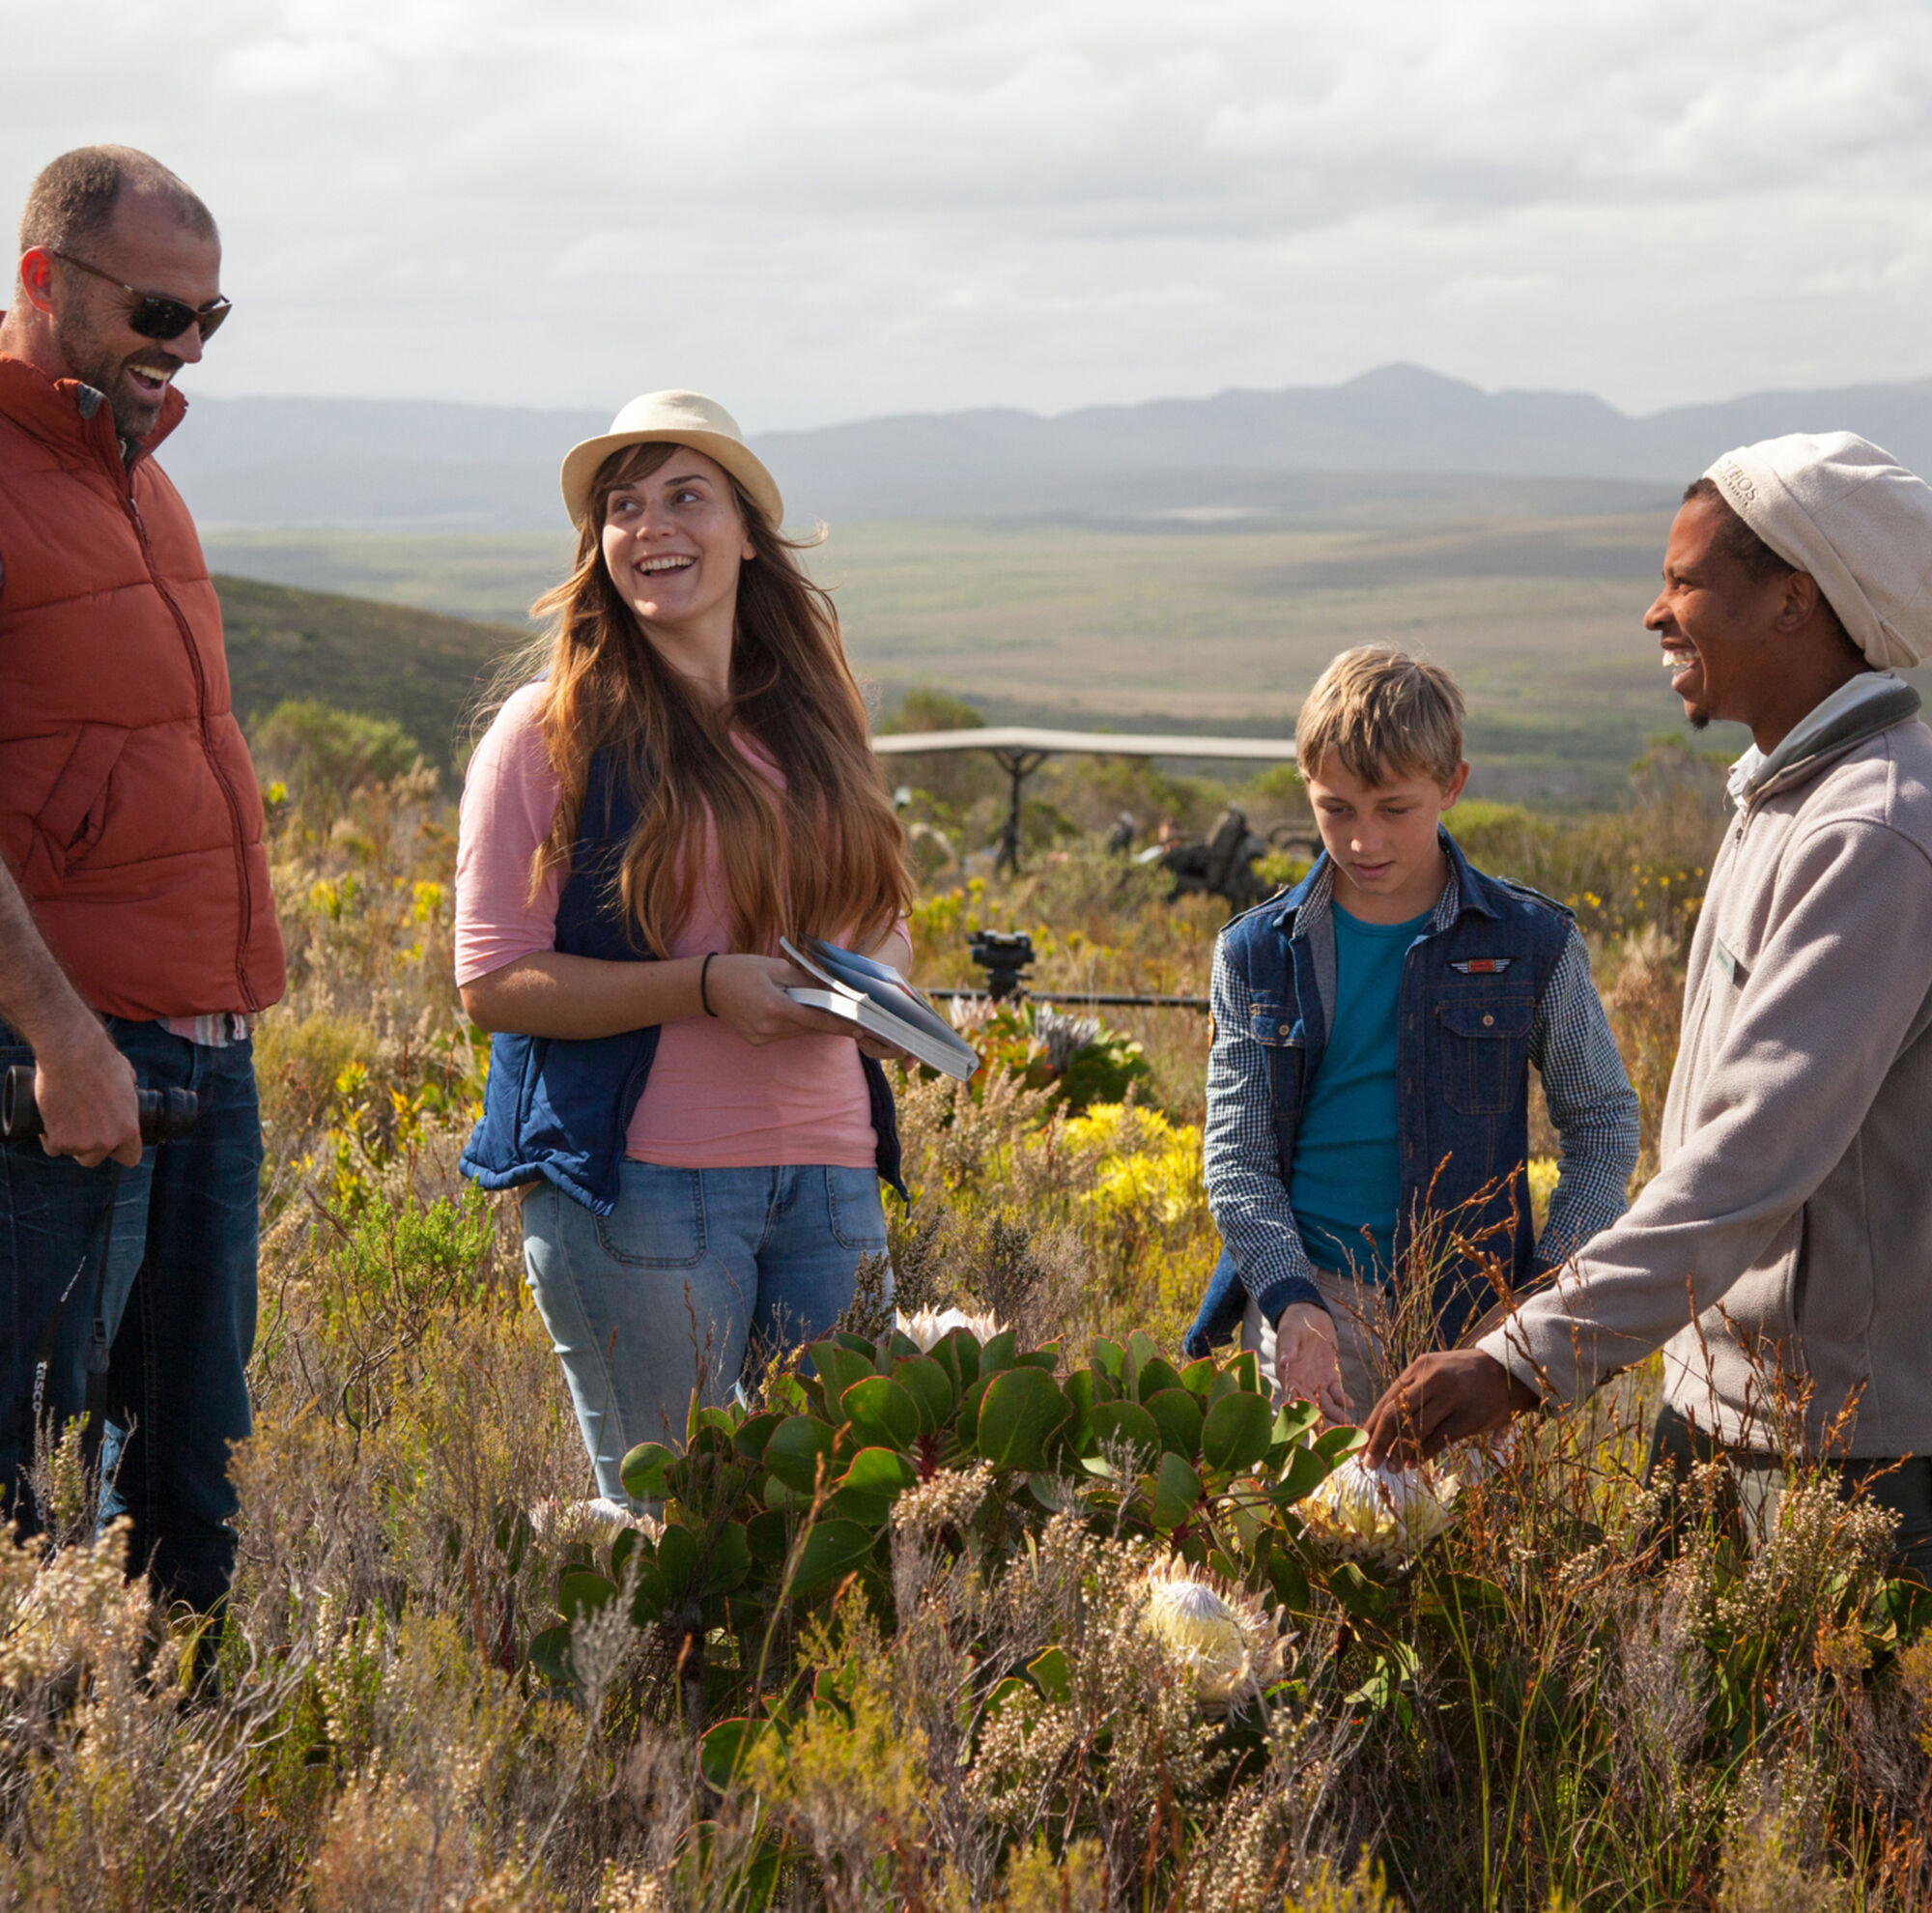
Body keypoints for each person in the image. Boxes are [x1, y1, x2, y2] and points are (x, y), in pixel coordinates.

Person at [1362, 435, 1932, 1575]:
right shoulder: (1789, 796)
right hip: (1729, 1403)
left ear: (1793, 601)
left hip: (1839, 1451)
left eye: (1684, 583)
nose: (1653, 615)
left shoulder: (1868, 832)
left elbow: (1749, 1161)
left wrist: (1519, 1358)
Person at [457, 390, 914, 1503]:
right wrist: (705, 988)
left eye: (684, 497)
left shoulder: (813, 717)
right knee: (677, 1537)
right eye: (623, 506)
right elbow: (493, 983)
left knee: (844, 1516)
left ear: (748, 531)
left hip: (831, 1178)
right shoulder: (551, 732)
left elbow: (879, 914)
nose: (650, 526)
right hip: (643, 1193)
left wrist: (887, 997)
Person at [0, 148, 285, 1619]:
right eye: (159, 311)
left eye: (209, 320)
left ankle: (177, 1795)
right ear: (45, 281)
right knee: (26, 1483)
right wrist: (61, 1044)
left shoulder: (139, 481)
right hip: (64, 1067)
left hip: (203, 1052)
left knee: (187, 1477)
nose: (182, 351)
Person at [1187, 646, 1639, 1421]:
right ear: (1307, 788)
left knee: (1470, 1544)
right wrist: (1293, 1302)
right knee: (1303, 1538)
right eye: (1336, 809)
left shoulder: (1535, 943)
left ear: (1452, 785)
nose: (1364, 841)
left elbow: (1604, 1124)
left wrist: (1532, 1302)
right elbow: (1237, 1160)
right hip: (1306, 1310)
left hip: (1480, 1321)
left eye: (1394, 809)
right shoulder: (1254, 952)